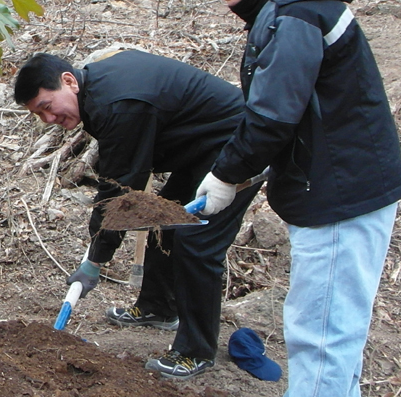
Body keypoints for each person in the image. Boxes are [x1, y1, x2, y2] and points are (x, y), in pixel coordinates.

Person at [191, 0, 401, 397]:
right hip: (346, 180)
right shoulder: (296, 1)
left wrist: (225, 176)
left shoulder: (293, 12)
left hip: (340, 188)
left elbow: (271, 115)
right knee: (338, 319)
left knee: (319, 328)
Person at [14, 50, 262, 379]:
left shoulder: (119, 104)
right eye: (38, 114)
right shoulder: (98, 92)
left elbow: (118, 195)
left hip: (236, 144)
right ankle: (157, 308)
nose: (48, 119)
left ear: (69, 81)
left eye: (47, 107)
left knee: (197, 243)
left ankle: (196, 352)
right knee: (167, 220)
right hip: (200, 146)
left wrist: (94, 261)